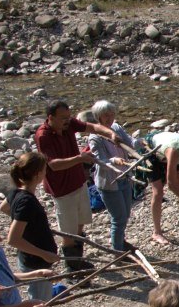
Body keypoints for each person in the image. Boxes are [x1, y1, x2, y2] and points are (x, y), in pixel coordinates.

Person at [3, 152, 73, 307]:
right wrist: (43, 254)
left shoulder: (17, 194)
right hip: (36, 264)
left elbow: (3, 208)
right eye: (44, 169)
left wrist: (33, 227)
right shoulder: (26, 201)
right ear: (38, 173)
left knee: (44, 306)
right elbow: (13, 239)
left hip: (34, 261)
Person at [34, 100, 120, 271]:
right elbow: (53, 165)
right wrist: (80, 158)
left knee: (80, 223)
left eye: (68, 116)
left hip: (78, 182)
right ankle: (72, 266)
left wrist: (110, 134)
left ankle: (78, 260)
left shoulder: (68, 124)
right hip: (61, 189)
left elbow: (93, 127)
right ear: (51, 118)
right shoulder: (43, 136)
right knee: (68, 229)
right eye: (63, 118)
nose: (67, 120)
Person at [88, 100, 138, 252]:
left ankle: (121, 241)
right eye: (105, 116)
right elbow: (99, 160)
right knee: (118, 218)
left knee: (126, 214)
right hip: (109, 182)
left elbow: (129, 143)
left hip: (124, 178)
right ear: (99, 117)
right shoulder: (95, 137)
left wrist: (139, 143)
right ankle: (117, 251)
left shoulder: (116, 128)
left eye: (111, 115)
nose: (110, 118)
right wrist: (114, 160)